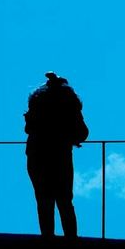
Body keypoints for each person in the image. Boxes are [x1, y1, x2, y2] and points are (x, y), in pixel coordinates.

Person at [24, 72, 89, 239]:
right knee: (64, 199)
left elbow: (28, 128)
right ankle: (71, 239)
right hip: (60, 155)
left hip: (36, 153)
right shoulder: (69, 102)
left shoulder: (37, 101)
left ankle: (47, 238)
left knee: (43, 199)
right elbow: (82, 132)